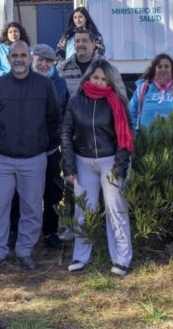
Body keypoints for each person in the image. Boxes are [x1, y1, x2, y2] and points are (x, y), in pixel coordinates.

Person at [0, 41, 60, 271]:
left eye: (22, 55)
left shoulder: (44, 85)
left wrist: (43, 142)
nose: (18, 59)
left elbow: (53, 117)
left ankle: (25, 250)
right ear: (8, 59)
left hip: (34, 158)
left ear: (30, 57)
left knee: (32, 207)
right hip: (3, 158)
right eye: (14, 55)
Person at [61, 59, 134, 275]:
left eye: (104, 79)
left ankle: (122, 258)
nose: (100, 82)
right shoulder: (75, 101)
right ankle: (80, 256)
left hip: (110, 161)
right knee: (84, 211)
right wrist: (69, 165)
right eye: (96, 77)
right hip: (83, 162)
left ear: (110, 81)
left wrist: (121, 167)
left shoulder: (117, 102)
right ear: (88, 77)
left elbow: (126, 136)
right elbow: (66, 133)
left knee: (116, 210)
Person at [9, 44, 70, 250]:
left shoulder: (60, 85)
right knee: (19, 193)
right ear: (32, 59)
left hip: (50, 149)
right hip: (25, 150)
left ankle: (50, 232)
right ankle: (15, 232)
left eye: (48, 61)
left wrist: (58, 138)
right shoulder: (22, 81)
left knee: (52, 192)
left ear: (53, 63)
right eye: (40, 60)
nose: (43, 64)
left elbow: (64, 115)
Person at [129, 53, 173, 131]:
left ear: (172, 69)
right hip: (147, 140)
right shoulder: (143, 88)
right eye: (159, 66)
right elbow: (132, 112)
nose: (163, 69)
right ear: (154, 69)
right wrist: (134, 134)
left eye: (166, 66)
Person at [59, 28, 124, 98]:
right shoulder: (63, 69)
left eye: (84, 41)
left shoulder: (109, 69)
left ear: (93, 44)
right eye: (77, 41)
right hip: (71, 108)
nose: (80, 44)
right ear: (74, 45)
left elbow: (121, 96)